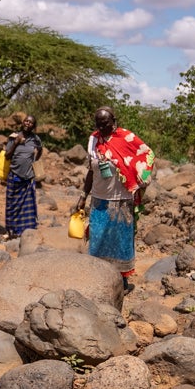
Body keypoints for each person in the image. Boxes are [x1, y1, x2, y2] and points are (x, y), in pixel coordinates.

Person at [74, 106, 155, 293]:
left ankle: (121, 281)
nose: (102, 127)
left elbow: (146, 153)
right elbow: (90, 171)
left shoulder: (126, 138)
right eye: (99, 124)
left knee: (120, 240)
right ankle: (97, 277)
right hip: (99, 198)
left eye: (106, 123)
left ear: (114, 121)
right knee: (98, 238)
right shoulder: (93, 140)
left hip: (121, 198)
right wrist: (83, 196)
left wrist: (143, 174)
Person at [3, 115, 43, 239]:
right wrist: (16, 143)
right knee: (12, 206)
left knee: (27, 207)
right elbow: (7, 156)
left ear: (33, 126)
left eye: (31, 122)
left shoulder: (36, 139)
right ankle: (12, 231)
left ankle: (26, 232)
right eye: (26, 121)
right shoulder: (13, 137)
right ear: (22, 122)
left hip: (28, 177)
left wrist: (35, 160)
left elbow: (40, 150)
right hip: (14, 175)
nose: (27, 123)